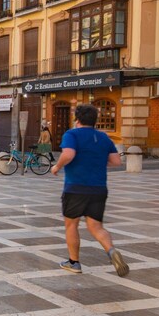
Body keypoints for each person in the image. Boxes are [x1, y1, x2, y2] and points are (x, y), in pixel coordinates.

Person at [49, 104, 128, 277]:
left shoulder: (72, 134)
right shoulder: (103, 137)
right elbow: (116, 162)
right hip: (99, 189)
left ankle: (74, 262)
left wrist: (57, 166)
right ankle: (111, 251)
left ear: (77, 119)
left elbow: (68, 154)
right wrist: (95, 162)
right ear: (94, 120)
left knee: (71, 224)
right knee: (96, 227)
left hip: (76, 187)